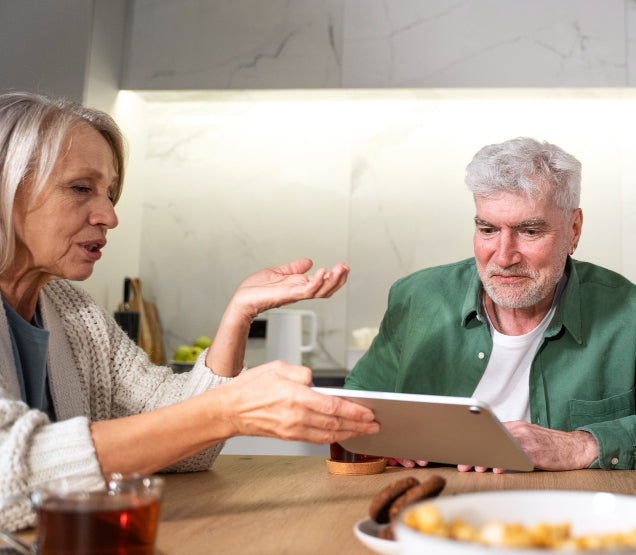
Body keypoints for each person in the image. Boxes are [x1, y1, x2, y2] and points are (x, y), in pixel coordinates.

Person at [0, 92, 378, 531]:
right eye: (81, 188)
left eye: (109, 192)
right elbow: (9, 471)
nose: (109, 215)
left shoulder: (73, 312)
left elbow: (187, 444)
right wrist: (226, 411)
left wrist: (238, 314)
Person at [346, 136, 636, 471]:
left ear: (574, 229)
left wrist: (583, 446)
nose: (504, 255)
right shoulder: (416, 298)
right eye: (488, 229)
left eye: (529, 231)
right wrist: (383, 438)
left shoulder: (629, 314)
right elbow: (351, 411)